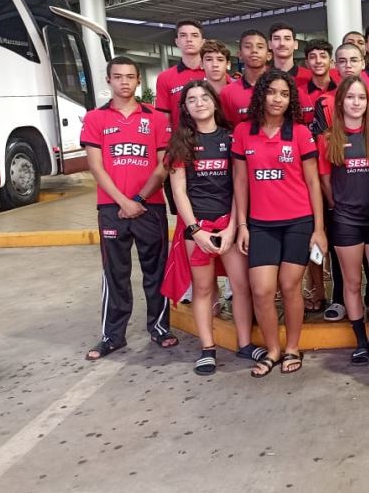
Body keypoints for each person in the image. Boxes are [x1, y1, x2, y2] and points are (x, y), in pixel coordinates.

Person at [232, 70, 327, 376]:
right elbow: (241, 181)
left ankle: (292, 347)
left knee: (289, 287)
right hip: (261, 224)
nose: (277, 99)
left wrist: (319, 228)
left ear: (291, 100)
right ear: (262, 95)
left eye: (284, 94)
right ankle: (272, 349)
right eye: (272, 92)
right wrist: (243, 225)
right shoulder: (244, 131)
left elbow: (313, 182)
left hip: (298, 221)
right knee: (261, 290)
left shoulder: (299, 132)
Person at [82, 57, 174, 360]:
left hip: (151, 207)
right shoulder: (95, 118)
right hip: (112, 208)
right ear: (108, 80)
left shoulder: (157, 119)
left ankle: (160, 328)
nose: (124, 82)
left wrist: (140, 200)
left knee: (156, 271)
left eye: (130, 77)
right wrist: (123, 202)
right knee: (115, 274)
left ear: (138, 82)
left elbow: (163, 166)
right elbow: (96, 167)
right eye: (118, 76)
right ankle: (112, 336)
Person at [163, 80, 256, 375]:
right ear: (186, 108)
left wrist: (232, 229)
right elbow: (179, 191)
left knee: (241, 287)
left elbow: (239, 187)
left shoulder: (231, 139)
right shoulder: (181, 143)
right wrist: (195, 230)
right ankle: (207, 348)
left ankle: (244, 344)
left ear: (215, 102)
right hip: (197, 228)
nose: (199, 102)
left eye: (205, 97)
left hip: (229, 224)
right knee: (203, 290)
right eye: (192, 99)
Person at [317, 76, 369, 365]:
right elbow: (325, 182)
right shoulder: (327, 138)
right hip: (345, 221)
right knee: (351, 282)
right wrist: (340, 207)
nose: (356, 103)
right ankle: (360, 340)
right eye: (350, 97)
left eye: (361, 98)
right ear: (340, 102)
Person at [155, 20, 205, 129]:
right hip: (181, 142)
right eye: (183, 35)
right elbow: (164, 117)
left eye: (194, 35)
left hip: (214, 141)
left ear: (202, 42)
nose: (189, 40)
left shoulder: (215, 74)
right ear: (177, 42)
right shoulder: (165, 77)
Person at [220, 29, 269, 126]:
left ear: (268, 55)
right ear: (240, 55)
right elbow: (228, 129)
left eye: (260, 47)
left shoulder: (281, 88)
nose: (254, 51)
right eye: (248, 47)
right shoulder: (227, 92)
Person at [269, 22, 310, 92]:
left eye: (287, 39)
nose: (282, 43)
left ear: (295, 44)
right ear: (269, 44)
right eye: (276, 38)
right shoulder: (260, 77)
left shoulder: (309, 78)